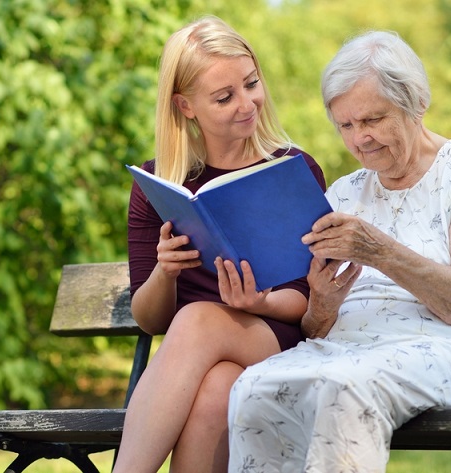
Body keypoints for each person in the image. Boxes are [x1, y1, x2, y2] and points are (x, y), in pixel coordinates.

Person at [227, 30, 451, 472]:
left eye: (373, 119)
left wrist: (382, 252)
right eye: (346, 125)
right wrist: (322, 304)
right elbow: (316, 329)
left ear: (416, 103)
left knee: (346, 387)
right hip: (345, 352)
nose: (360, 139)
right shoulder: (343, 193)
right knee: (255, 387)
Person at [112, 16, 327, 473]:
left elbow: (309, 302)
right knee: (214, 392)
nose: (246, 104)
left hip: (277, 340)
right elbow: (150, 320)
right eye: (224, 97)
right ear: (185, 106)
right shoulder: (160, 184)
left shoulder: (293, 168)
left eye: (251, 84)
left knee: (196, 319)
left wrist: (261, 302)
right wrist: (164, 272)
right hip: (198, 362)